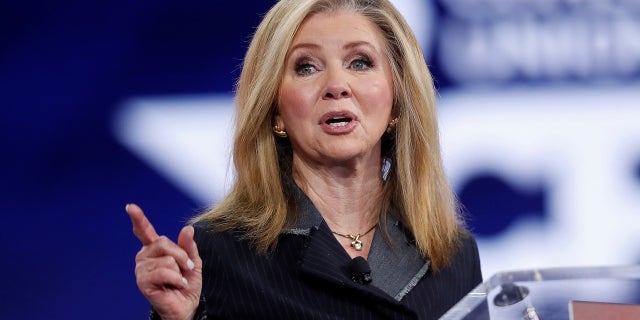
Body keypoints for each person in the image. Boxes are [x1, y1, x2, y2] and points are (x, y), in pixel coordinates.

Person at [127, 0, 483, 319]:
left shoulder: (452, 255)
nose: (336, 84)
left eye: (360, 62)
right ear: (275, 110)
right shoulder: (220, 252)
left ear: (397, 101)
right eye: (306, 67)